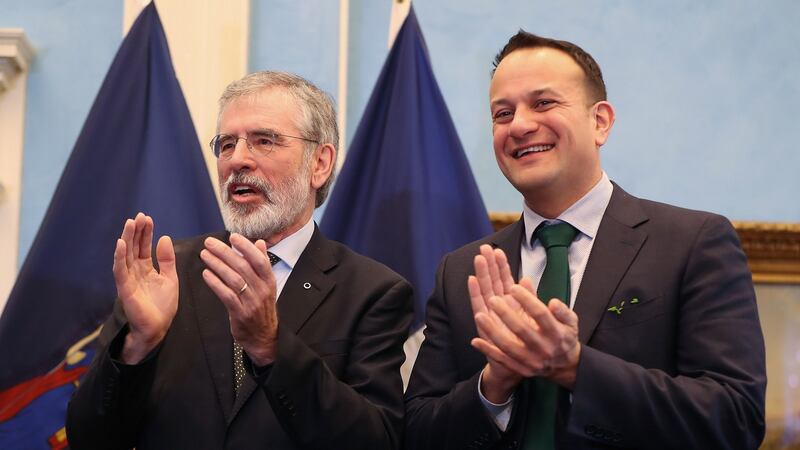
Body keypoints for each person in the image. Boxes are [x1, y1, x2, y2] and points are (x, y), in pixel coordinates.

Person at [404, 31, 766, 449]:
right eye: (503, 113)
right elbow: (416, 432)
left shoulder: (693, 244)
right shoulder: (463, 271)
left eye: (543, 103)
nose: (520, 125)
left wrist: (575, 366)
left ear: (600, 121)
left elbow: (735, 419)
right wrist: (494, 384)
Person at [67, 71, 413, 449]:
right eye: (227, 144)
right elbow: (89, 438)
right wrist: (138, 343)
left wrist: (271, 346)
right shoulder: (166, 274)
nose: (238, 160)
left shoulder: (372, 292)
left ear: (320, 163)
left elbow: (375, 440)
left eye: (264, 141)